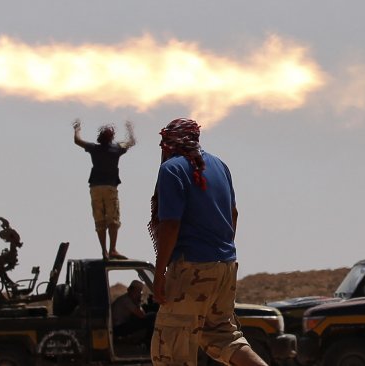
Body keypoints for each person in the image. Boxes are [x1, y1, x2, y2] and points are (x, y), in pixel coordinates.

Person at [149, 118, 267, 366]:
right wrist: (218, 254)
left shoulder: (171, 169)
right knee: (223, 338)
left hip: (190, 269)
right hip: (225, 266)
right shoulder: (220, 165)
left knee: (170, 351)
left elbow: (170, 225)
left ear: (169, 144)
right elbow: (233, 214)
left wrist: (160, 274)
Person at [73, 119, 136, 260]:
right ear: (112, 137)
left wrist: (77, 129)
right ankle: (112, 249)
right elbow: (131, 142)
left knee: (100, 221)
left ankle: (104, 252)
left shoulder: (95, 148)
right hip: (109, 188)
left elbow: (78, 141)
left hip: (95, 188)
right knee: (113, 220)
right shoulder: (116, 149)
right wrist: (130, 129)